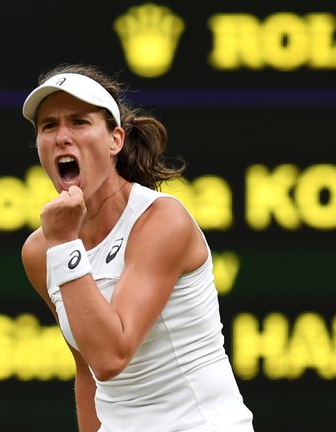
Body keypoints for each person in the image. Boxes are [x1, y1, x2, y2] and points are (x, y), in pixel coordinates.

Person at [20, 64, 254, 432]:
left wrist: (66, 245)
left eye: (79, 122)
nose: (62, 136)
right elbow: (87, 369)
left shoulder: (162, 221)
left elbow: (111, 356)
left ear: (115, 140)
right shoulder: (38, 251)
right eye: (49, 126)